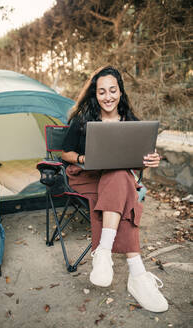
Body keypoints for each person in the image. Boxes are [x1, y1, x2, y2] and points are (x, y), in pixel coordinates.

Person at [61, 66, 168, 313]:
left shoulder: (130, 121)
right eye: (101, 91)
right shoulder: (83, 118)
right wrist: (83, 159)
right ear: (94, 94)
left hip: (117, 180)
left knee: (118, 174)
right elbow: (65, 153)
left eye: (112, 90)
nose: (107, 96)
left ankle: (104, 252)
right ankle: (137, 275)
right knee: (123, 186)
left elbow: (140, 157)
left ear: (120, 91)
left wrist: (151, 160)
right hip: (86, 176)